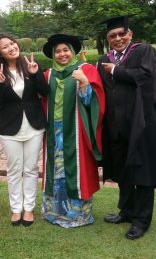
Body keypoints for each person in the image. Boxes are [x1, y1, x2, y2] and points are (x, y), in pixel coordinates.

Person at [97, 15, 156, 240]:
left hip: (141, 124)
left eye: (121, 34)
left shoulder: (144, 51)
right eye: (112, 36)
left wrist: (116, 71)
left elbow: (147, 78)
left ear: (130, 34)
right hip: (115, 125)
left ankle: (141, 220)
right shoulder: (103, 59)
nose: (117, 39)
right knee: (122, 171)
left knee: (142, 173)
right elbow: (100, 91)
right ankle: (126, 211)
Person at [41, 34, 105, 228]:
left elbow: (95, 103)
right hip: (54, 130)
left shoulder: (86, 69)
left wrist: (85, 83)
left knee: (76, 170)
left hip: (77, 130)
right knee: (56, 172)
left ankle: (78, 215)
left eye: (65, 50)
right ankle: (54, 212)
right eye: (58, 51)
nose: (62, 54)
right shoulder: (48, 74)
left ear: (73, 51)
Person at [0, 33, 48, 226]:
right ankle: (16, 209)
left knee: (30, 169)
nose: (11, 47)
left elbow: (45, 92)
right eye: (5, 47)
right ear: (0, 53)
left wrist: (36, 73)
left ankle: (28, 208)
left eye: (12, 43)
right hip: (9, 128)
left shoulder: (30, 64)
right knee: (14, 170)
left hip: (34, 125)